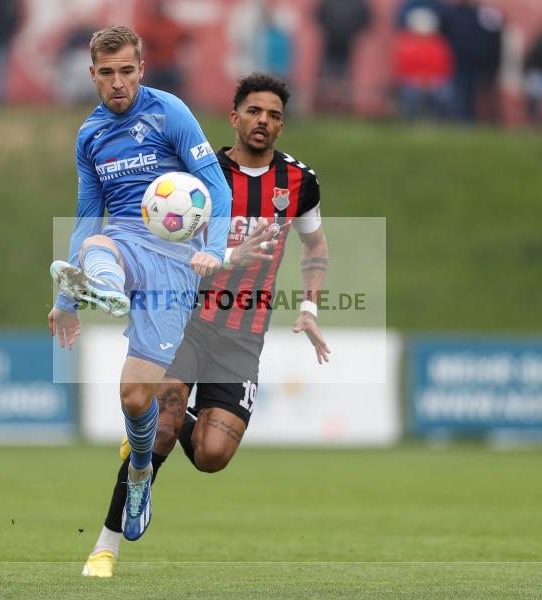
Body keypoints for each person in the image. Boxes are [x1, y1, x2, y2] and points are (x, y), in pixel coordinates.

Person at [81, 73, 330, 578]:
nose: (264, 121)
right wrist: (223, 255)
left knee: (213, 454)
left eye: (275, 115)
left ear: (282, 125)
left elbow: (315, 248)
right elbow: (164, 240)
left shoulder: (300, 183)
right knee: (167, 431)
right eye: (255, 111)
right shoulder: (198, 179)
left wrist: (310, 307)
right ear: (234, 117)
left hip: (243, 333)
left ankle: (145, 425)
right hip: (187, 317)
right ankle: (104, 548)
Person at [48, 26, 231, 545]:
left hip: (174, 261)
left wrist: (212, 250)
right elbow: (88, 216)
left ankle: (140, 474)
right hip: (124, 239)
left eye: (126, 71)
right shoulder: (90, 135)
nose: (117, 83)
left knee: (133, 397)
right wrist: (65, 301)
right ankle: (101, 286)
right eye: (107, 73)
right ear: (93, 75)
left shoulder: (169, 112)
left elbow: (215, 186)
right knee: (96, 244)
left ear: (141, 69)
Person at [314, 0, 373, 112]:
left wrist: (353, 32)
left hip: (347, 45)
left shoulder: (358, 3)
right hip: (331, 43)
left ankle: (343, 105)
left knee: (344, 76)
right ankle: (325, 105)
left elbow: (366, 19)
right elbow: (319, 15)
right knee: (328, 74)